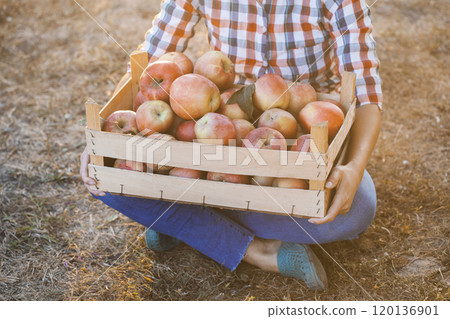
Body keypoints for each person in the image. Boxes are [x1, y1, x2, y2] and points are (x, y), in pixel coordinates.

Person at [80, 0, 382, 291]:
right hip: (218, 133)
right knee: (104, 177)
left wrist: (353, 168)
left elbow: (367, 93)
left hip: (297, 139)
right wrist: (103, 139)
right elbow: (151, 59)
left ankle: (181, 220)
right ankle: (257, 250)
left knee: (358, 208)